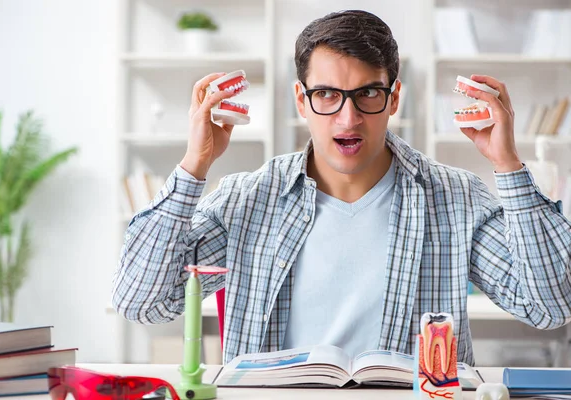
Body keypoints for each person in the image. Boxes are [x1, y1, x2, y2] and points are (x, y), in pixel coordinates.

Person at [112, 10, 571, 365]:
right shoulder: (248, 199)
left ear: (393, 99)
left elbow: (550, 308)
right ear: (301, 100)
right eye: (327, 94)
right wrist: (195, 166)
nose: (347, 119)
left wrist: (508, 166)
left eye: (367, 94)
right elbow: (142, 303)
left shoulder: (455, 198)